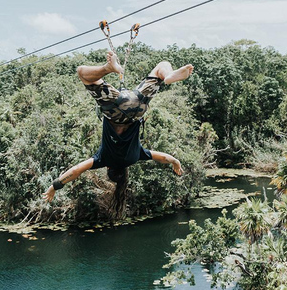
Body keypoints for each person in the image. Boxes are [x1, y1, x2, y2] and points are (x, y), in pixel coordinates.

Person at [41, 51, 194, 212]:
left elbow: (164, 157)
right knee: (83, 73)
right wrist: (54, 186)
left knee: (161, 66)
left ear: (125, 171)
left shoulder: (136, 156)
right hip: (115, 107)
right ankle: (108, 67)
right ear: (108, 169)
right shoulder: (103, 159)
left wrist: (175, 162)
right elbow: (75, 171)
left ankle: (167, 75)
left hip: (138, 106)